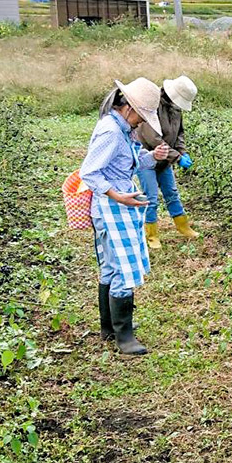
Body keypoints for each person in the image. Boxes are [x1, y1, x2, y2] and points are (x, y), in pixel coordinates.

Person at [79, 78, 171, 356]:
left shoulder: (122, 129)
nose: (141, 123)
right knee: (121, 268)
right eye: (141, 117)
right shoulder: (111, 132)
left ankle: (109, 329)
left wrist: (153, 155)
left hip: (116, 206)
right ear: (129, 108)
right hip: (111, 209)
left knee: (110, 267)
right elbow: (90, 172)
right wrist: (117, 196)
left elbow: (128, 162)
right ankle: (125, 337)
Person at [134, 75, 199, 248]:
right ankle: (151, 234)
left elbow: (180, 134)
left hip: (165, 160)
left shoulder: (176, 110)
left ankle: (183, 226)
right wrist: (177, 157)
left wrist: (182, 152)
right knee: (151, 197)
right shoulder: (153, 106)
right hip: (147, 159)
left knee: (172, 193)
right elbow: (153, 138)